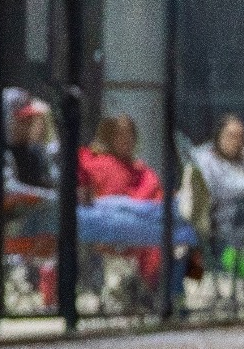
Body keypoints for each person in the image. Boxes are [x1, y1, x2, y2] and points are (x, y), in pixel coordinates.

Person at [77, 114, 199, 297]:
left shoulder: (139, 167)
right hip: (121, 228)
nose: (127, 141)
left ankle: (178, 294)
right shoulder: (99, 164)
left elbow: (157, 191)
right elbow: (112, 205)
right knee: (175, 234)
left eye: (131, 135)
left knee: (190, 234)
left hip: (152, 220)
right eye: (120, 135)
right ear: (108, 136)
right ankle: (168, 296)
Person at [0, 88, 59, 238]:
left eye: (30, 120)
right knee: (57, 204)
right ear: (5, 120)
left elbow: (55, 179)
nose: (29, 125)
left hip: (39, 214)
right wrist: (45, 196)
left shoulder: (34, 151)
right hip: (12, 219)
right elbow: (5, 189)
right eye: (22, 120)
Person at [190, 115, 244, 256]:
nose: (236, 142)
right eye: (231, 136)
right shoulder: (206, 160)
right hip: (224, 223)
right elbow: (226, 188)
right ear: (219, 136)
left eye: (240, 137)